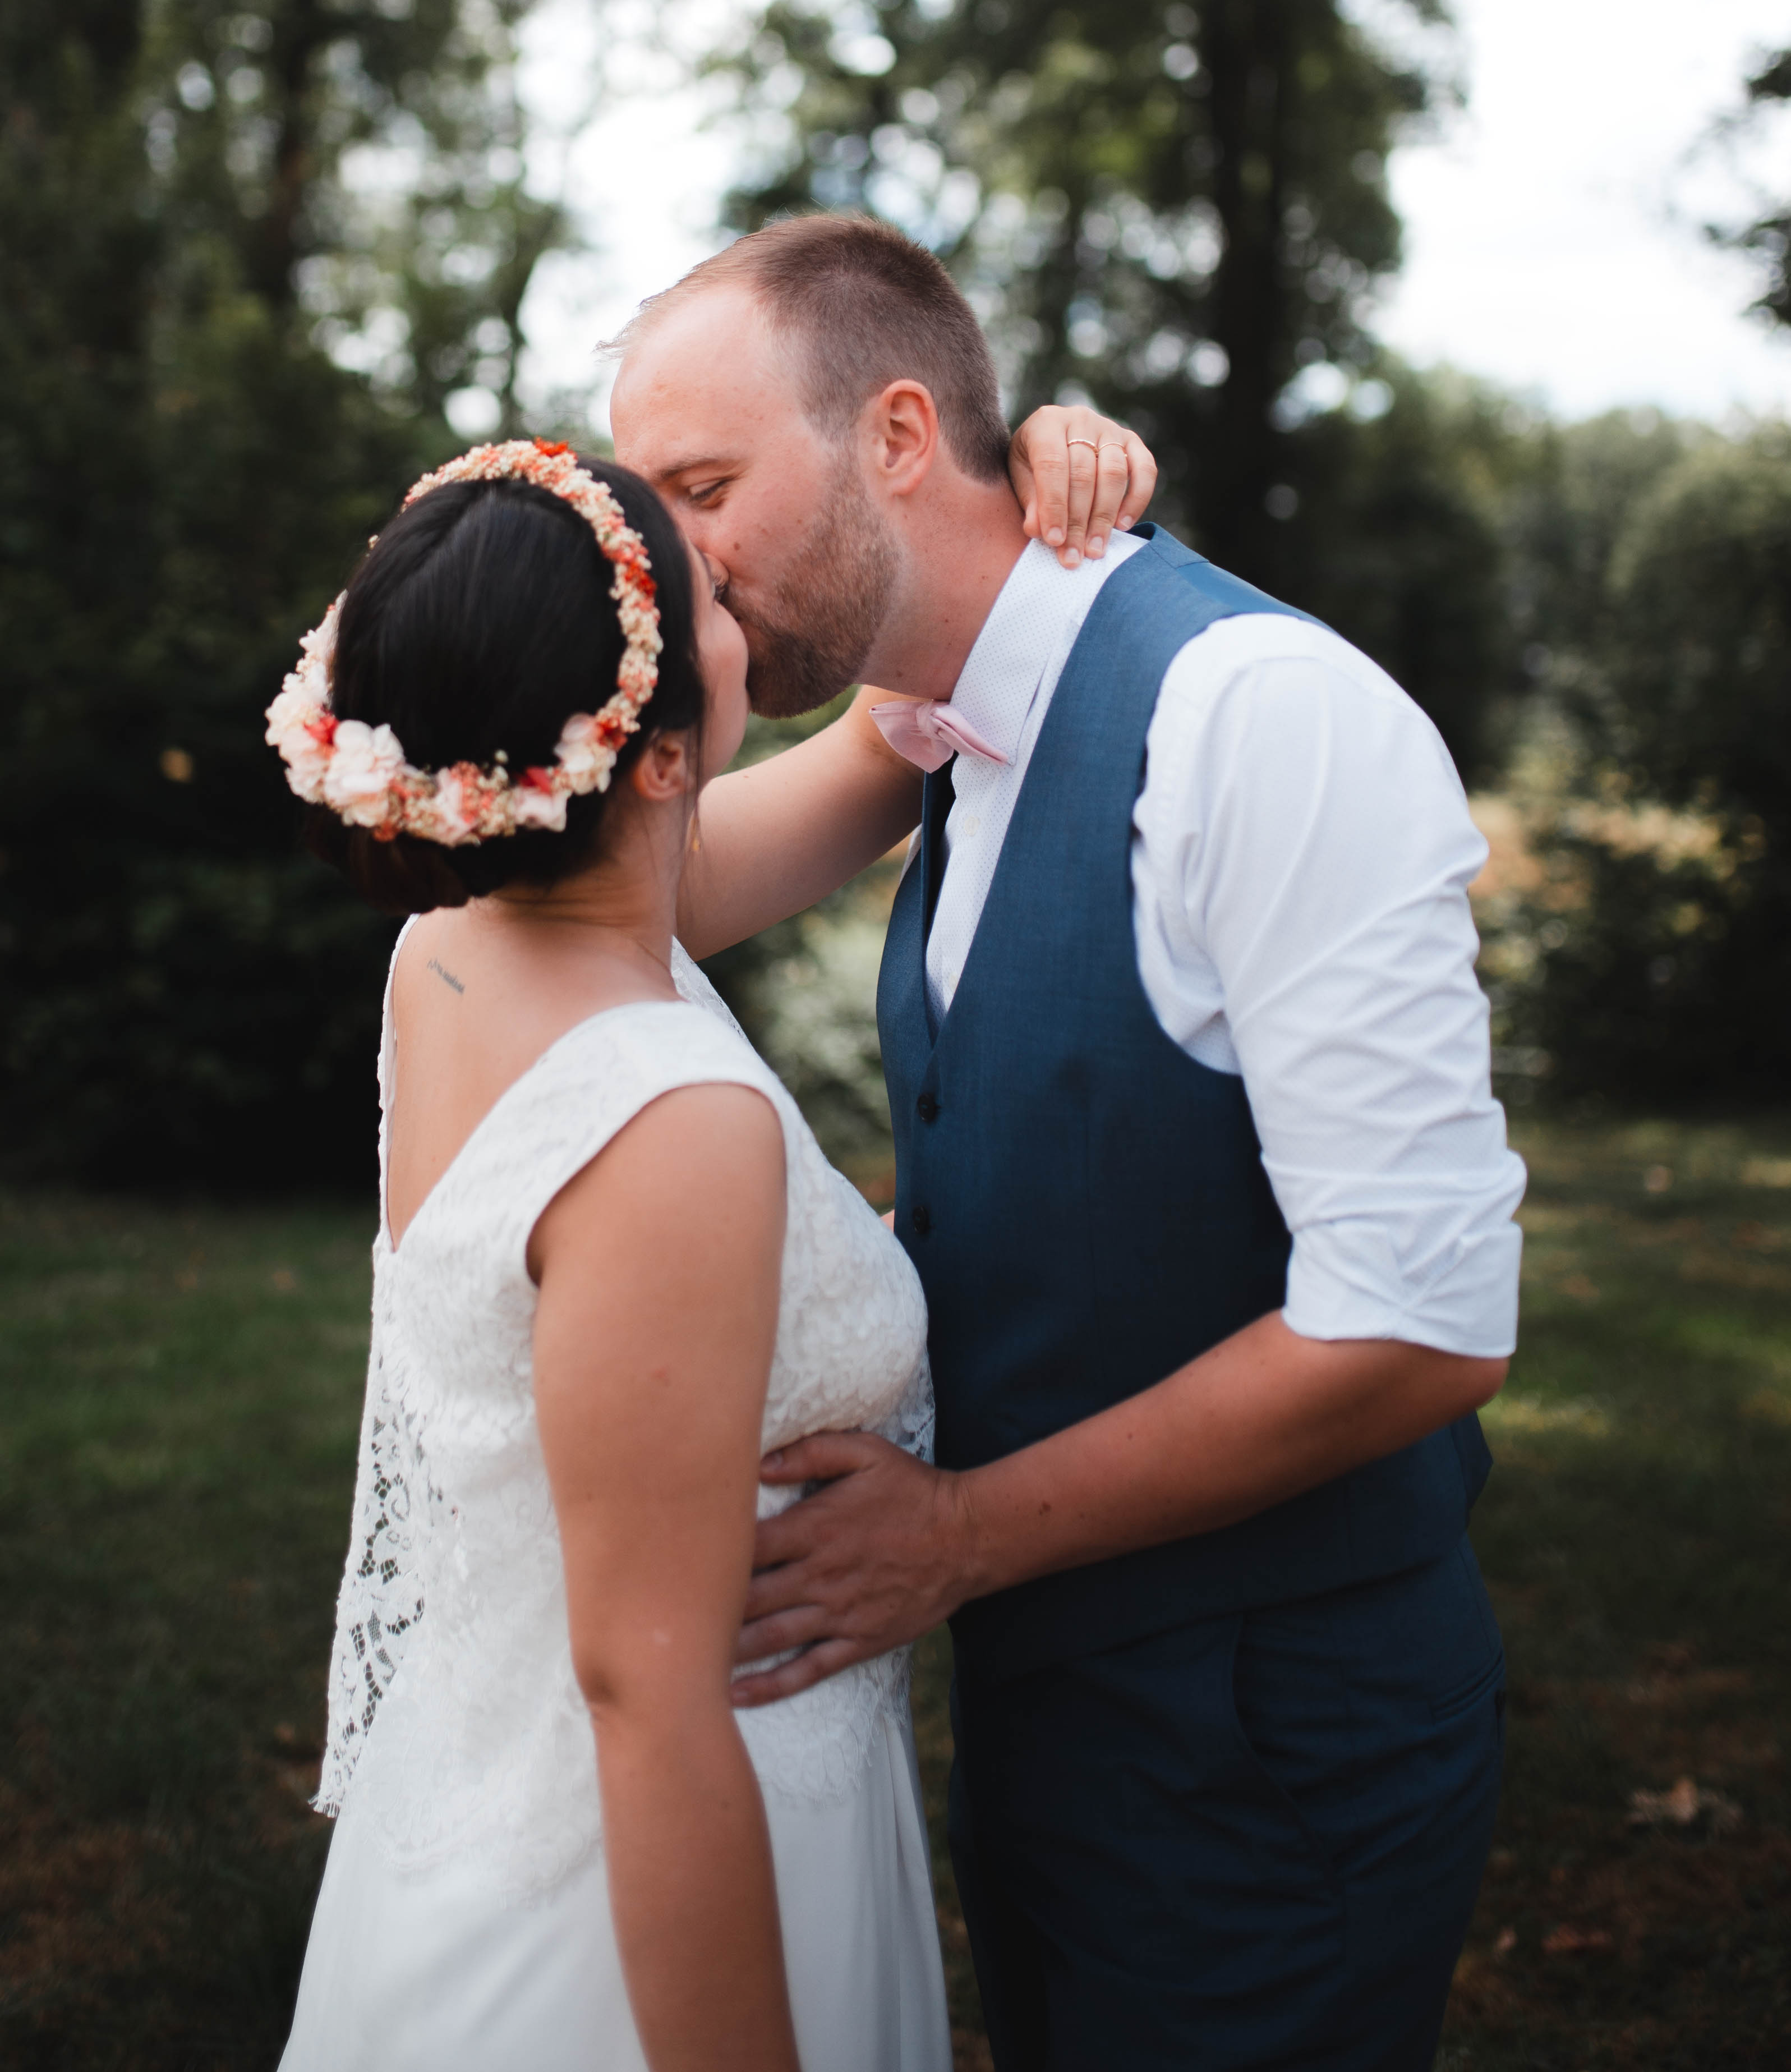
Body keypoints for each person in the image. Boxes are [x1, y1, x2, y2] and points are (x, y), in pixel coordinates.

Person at [609, 213, 1529, 2072]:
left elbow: (1421, 1319)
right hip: (1059, 1721)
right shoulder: (948, 729)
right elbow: (651, 902)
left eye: (703, 488)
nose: (664, 566)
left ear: (890, 437)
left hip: (1269, 1741)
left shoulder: (1258, 722)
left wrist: (949, 1537)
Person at [269, 410, 1148, 2072]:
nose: (735, 585)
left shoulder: (461, 947)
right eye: (711, 600)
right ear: (657, 751)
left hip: (479, 1802)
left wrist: (1011, 485)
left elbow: (894, 737)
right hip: (649, 1892)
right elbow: (644, 1702)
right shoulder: (668, 1125)